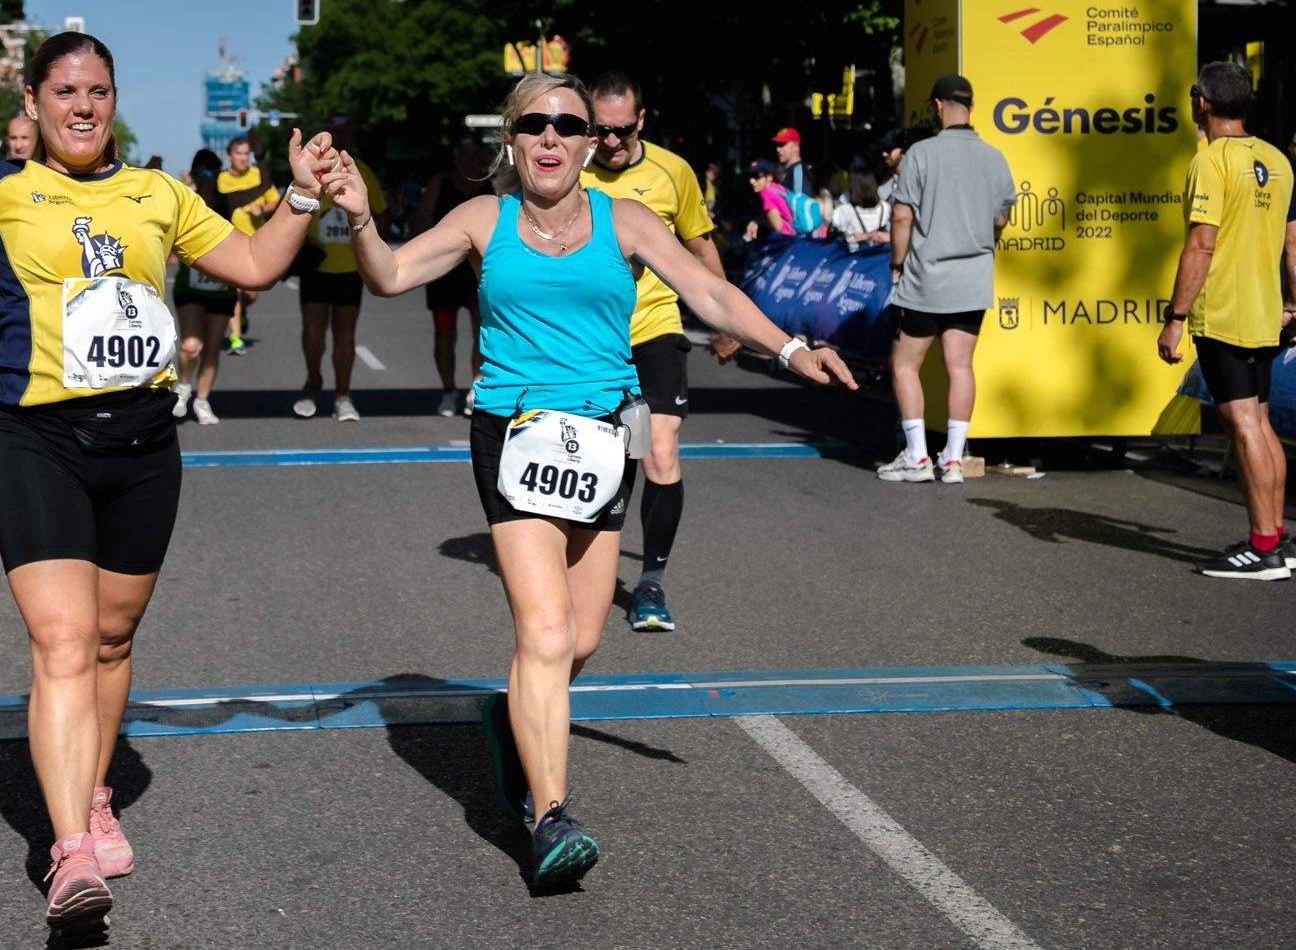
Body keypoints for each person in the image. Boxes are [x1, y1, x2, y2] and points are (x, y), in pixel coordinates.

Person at [0, 0, 335, 935]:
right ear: (34, 102)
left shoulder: (160, 195)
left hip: (144, 443)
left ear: (114, 102)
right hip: (39, 440)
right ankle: (70, 853)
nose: (83, 106)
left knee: (111, 641)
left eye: (97, 91)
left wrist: (301, 195)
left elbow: (256, 265)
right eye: (65, 91)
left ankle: (93, 792)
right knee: (61, 641)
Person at [325, 72, 854, 889]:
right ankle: (550, 817)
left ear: (587, 141)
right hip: (514, 433)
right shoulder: (483, 218)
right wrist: (361, 217)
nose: (552, 137)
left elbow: (709, 290)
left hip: (606, 438)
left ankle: (512, 713)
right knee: (543, 632)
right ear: (511, 138)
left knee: (580, 640)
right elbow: (390, 274)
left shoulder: (626, 219)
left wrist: (790, 349)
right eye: (534, 123)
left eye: (568, 125)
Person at [580, 73, 735, 633]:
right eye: (601, 130)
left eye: (622, 130)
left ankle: (650, 584)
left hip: (654, 330)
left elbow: (700, 244)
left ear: (641, 121)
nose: (611, 142)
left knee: (660, 449)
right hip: (590, 340)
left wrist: (723, 319)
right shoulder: (570, 168)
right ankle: (584, 572)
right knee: (607, 457)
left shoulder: (673, 172)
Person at [1158, 62, 1296, 578]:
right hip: (1265, 312)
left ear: (1202, 104)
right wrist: (1293, 304)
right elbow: (1293, 245)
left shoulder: (1211, 161)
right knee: (1259, 423)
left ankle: (1264, 550)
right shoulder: (1277, 159)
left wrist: (1175, 316)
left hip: (1225, 315)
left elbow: (1201, 244)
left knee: (1243, 427)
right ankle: (1277, 537)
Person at [878, 73, 1016, 484]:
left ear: (938, 107)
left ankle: (917, 456)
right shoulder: (994, 157)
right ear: (970, 107)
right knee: (960, 366)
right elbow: (1001, 218)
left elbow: (901, 216)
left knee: (904, 364)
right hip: (972, 280)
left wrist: (897, 264)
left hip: (926, 279)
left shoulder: (921, 154)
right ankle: (954, 461)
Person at [294, 114, 386, 421]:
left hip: (349, 267)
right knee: (312, 331)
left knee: (345, 334)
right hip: (315, 265)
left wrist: (372, 246)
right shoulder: (311, 167)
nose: (341, 137)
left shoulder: (362, 171)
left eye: (346, 131)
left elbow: (381, 213)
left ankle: (342, 395)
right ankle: (312, 382)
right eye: (335, 132)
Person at [418, 132, 487, 416]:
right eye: (464, 155)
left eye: (475, 155)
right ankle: (448, 391)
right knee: (444, 335)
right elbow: (421, 222)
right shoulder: (440, 184)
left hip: (480, 273)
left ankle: (475, 388)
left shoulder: (492, 186)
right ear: (455, 158)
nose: (470, 161)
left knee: (483, 333)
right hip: (444, 272)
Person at [171, 150, 240, 424]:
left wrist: (260, 157)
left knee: (211, 348)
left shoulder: (228, 202)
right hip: (190, 286)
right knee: (191, 346)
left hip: (221, 288)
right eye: (199, 173)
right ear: (193, 174)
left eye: (210, 173)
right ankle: (183, 386)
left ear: (218, 175)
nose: (205, 178)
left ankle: (202, 401)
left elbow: (262, 189)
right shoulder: (185, 200)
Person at [217, 133, 280, 354]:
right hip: (228, 244)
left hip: (255, 243)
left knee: (250, 293)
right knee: (233, 291)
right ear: (230, 155)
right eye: (238, 153)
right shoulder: (221, 179)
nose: (243, 158)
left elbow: (274, 201)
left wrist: (261, 209)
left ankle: (242, 312)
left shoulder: (258, 176)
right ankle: (236, 338)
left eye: (246, 153)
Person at [830, 168, 893, 248]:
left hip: (857, 253)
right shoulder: (886, 207)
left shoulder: (845, 210)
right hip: (881, 253)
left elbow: (833, 228)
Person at [742, 160, 796, 240]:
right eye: (750, 176)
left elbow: (779, 229)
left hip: (790, 239)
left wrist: (759, 223)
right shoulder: (777, 187)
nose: (751, 181)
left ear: (769, 178)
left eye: (757, 176)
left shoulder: (766, 195)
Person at [772, 125, 815, 199]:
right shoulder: (786, 170)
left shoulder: (798, 171)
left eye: (782, 144)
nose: (778, 149)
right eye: (777, 145)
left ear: (796, 147)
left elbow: (800, 203)